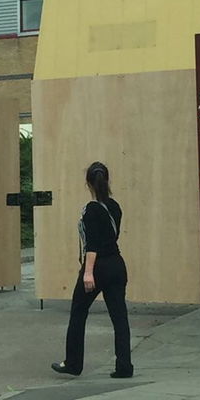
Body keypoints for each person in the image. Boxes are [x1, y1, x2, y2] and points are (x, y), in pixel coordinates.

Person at [51, 161, 133, 379]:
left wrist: (88, 273)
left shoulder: (90, 210)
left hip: (97, 266)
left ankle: (73, 362)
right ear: (107, 180)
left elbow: (92, 244)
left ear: (88, 183)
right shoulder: (115, 207)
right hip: (117, 264)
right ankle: (124, 366)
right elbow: (111, 238)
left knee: (79, 311)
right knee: (119, 316)